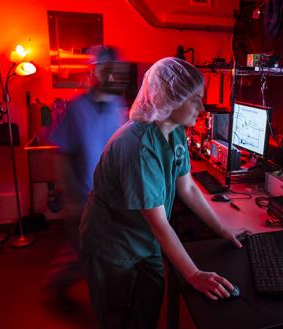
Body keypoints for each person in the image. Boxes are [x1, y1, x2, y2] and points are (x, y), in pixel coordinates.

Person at [79, 57, 247, 329]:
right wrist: (193, 274)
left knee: (148, 306)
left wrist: (224, 230)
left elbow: (188, 187)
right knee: (116, 314)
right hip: (113, 240)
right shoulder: (137, 148)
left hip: (146, 238)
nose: (202, 108)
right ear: (170, 98)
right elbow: (157, 221)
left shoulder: (175, 131)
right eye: (194, 100)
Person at [44, 45, 127, 309]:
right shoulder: (76, 108)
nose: (108, 74)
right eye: (101, 68)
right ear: (93, 71)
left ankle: (64, 290)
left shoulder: (118, 105)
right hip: (82, 197)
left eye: (111, 68)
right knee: (83, 255)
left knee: (91, 254)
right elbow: (63, 155)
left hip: (108, 198)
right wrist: (70, 198)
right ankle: (55, 289)